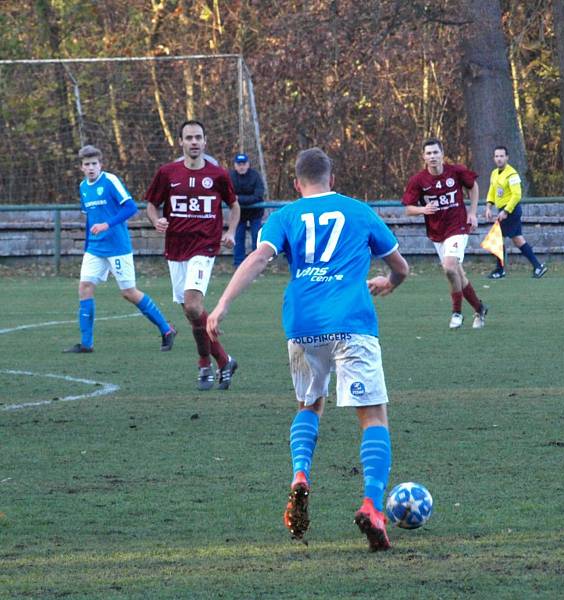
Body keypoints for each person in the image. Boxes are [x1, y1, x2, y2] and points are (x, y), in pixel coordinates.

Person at [206, 148, 409, 552]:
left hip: (302, 324)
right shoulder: (358, 211)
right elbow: (400, 266)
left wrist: (223, 304)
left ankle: (300, 475)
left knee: (309, 404)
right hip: (351, 322)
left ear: (296, 184)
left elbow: (259, 258)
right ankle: (372, 505)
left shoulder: (284, 215)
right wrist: (390, 282)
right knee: (372, 415)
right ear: (331, 179)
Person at [145, 120, 241, 391]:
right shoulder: (167, 173)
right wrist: (156, 220)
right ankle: (223, 360)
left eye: (198, 137)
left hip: (204, 247)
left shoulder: (218, 175)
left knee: (193, 306)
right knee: (191, 314)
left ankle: (203, 363)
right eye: (189, 138)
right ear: (181, 142)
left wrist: (231, 231)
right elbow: (151, 204)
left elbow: (234, 206)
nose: (194, 142)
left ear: (205, 141)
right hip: (175, 249)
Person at [63, 145, 175, 354]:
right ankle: (86, 344)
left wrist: (107, 224)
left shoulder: (110, 181)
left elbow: (131, 207)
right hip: (95, 249)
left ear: (101, 164)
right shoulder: (83, 187)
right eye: (87, 164)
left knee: (128, 292)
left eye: (94, 164)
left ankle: (166, 329)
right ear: (81, 167)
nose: (91, 168)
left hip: (117, 247)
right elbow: (90, 220)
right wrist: (88, 245)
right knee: (84, 286)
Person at [402, 138, 488, 329]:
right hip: (437, 232)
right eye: (429, 153)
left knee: (449, 266)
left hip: (458, 226)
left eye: (435, 152)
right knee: (457, 273)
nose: (432, 157)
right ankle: (480, 308)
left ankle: (456, 313)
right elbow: (408, 208)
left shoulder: (455, 171)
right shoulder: (418, 180)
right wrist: (423, 210)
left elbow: (473, 186)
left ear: (442, 154)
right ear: (423, 157)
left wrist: (472, 213)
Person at [483, 146, 547, 279]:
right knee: (518, 240)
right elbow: (492, 191)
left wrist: (506, 211)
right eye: (497, 156)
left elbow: (517, 195)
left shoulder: (512, 174)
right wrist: (488, 207)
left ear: (507, 157)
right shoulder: (494, 173)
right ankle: (538, 266)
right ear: (494, 158)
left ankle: (500, 270)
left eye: (502, 156)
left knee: (496, 239)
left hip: (511, 210)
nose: (499, 159)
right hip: (503, 210)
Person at [229, 153, 265, 267]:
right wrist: (242, 200)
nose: (241, 167)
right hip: (239, 214)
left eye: (244, 164)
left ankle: (256, 265)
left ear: (248, 164)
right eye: (239, 164)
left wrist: (239, 199)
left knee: (257, 239)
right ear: (235, 165)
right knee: (238, 240)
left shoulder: (255, 176)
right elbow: (229, 195)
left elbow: (258, 195)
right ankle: (238, 266)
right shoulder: (230, 177)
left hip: (255, 213)